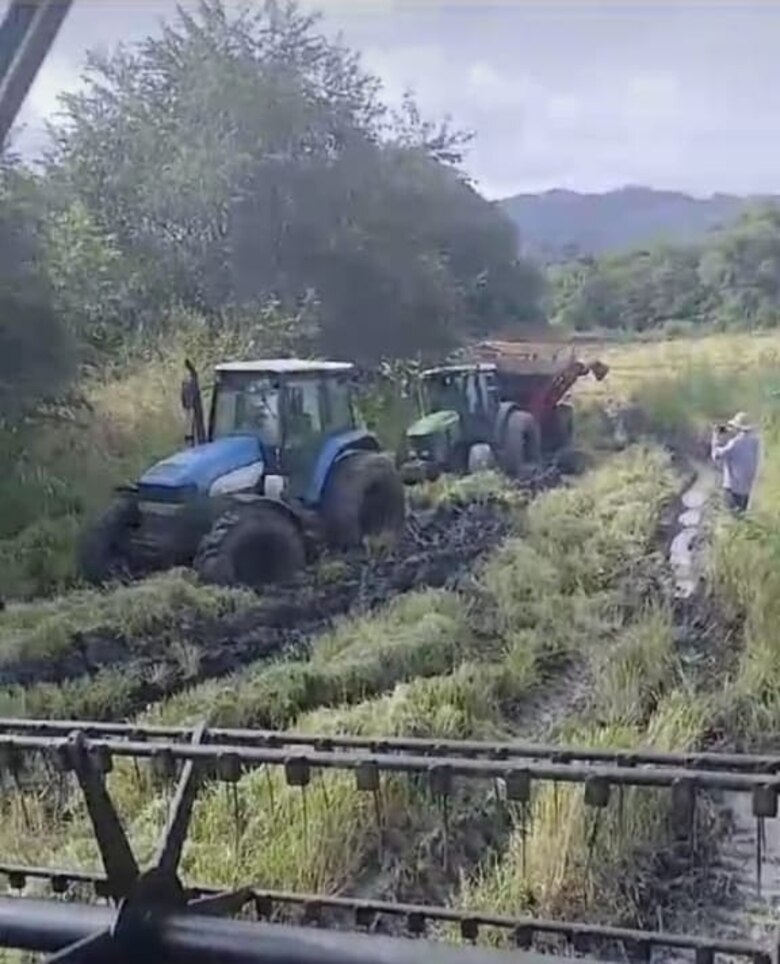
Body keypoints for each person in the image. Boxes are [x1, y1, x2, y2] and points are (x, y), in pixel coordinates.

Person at [711, 412, 760, 513]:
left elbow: (716, 456)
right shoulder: (755, 442)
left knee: (731, 516)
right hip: (746, 488)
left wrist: (715, 438)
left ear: (738, 428)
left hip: (733, 488)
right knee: (741, 515)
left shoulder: (735, 443)